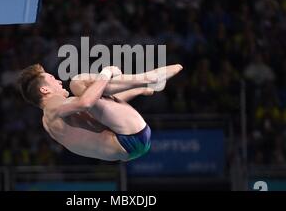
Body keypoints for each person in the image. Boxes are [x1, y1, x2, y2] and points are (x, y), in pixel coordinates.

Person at [18, 64, 183, 161]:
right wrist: (106, 72)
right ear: (45, 89)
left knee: (91, 91)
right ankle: (149, 78)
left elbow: (101, 105)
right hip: (128, 136)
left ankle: (142, 85)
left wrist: (138, 91)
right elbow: (86, 102)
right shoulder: (52, 106)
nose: (59, 81)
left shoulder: (49, 121)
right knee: (77, 82)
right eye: (53, 79)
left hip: (130, 146)